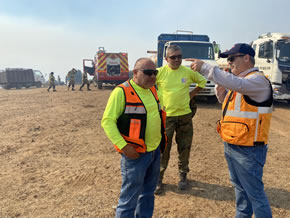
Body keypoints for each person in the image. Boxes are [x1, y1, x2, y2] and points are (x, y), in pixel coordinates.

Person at [186, 43, 273, 218]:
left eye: (232, 58)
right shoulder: (240, 82)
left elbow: (238, 84)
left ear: (247, 58)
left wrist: (207, 69)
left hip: (249, 150)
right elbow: (223, 100)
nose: (229, 62)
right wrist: (221, 81)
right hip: (233, 144)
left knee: (255, 196)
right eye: (228, 59)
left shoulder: (257, 80)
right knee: (241, 193)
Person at [101, 58, 167, 217]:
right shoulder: (121, 92)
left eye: (155, 73)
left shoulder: (152, 90)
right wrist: (124, 147)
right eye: (148, 73)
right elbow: (107, 122)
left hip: (154, 152)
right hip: (135, 154)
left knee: (147, 195)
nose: (153, 76)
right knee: (129, 199)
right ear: (135, 73)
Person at [155, 45, 207, 194]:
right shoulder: (159, 73)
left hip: (185, 115)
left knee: (184, 146)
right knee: (163, 148)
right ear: (166, 59)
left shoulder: (188, 72)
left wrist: (191, 95)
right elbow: (147, 85)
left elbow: (202, 82)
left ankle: (183, 174)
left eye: (179, 56)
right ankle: (158, 178)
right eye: (173, 57)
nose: (177, 59)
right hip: (166, 117)